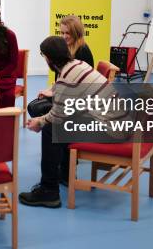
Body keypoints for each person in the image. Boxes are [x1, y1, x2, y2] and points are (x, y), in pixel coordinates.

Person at [19, 36, 111, 209]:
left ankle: (49, 190)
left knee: (51, 129)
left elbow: (56, 116)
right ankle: (64, 174)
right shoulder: (77, 64)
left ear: (49, 57)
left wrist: (38, 123)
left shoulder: (67, 77)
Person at [29, 14, 94, 119]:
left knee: (36, 108)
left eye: (68, 33)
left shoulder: (82, 52)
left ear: (76, 32)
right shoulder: (66, 48)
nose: (64, 36)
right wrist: (51, 90)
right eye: (62, 33)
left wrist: (53, 93)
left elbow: (79, 87)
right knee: (33, 106)